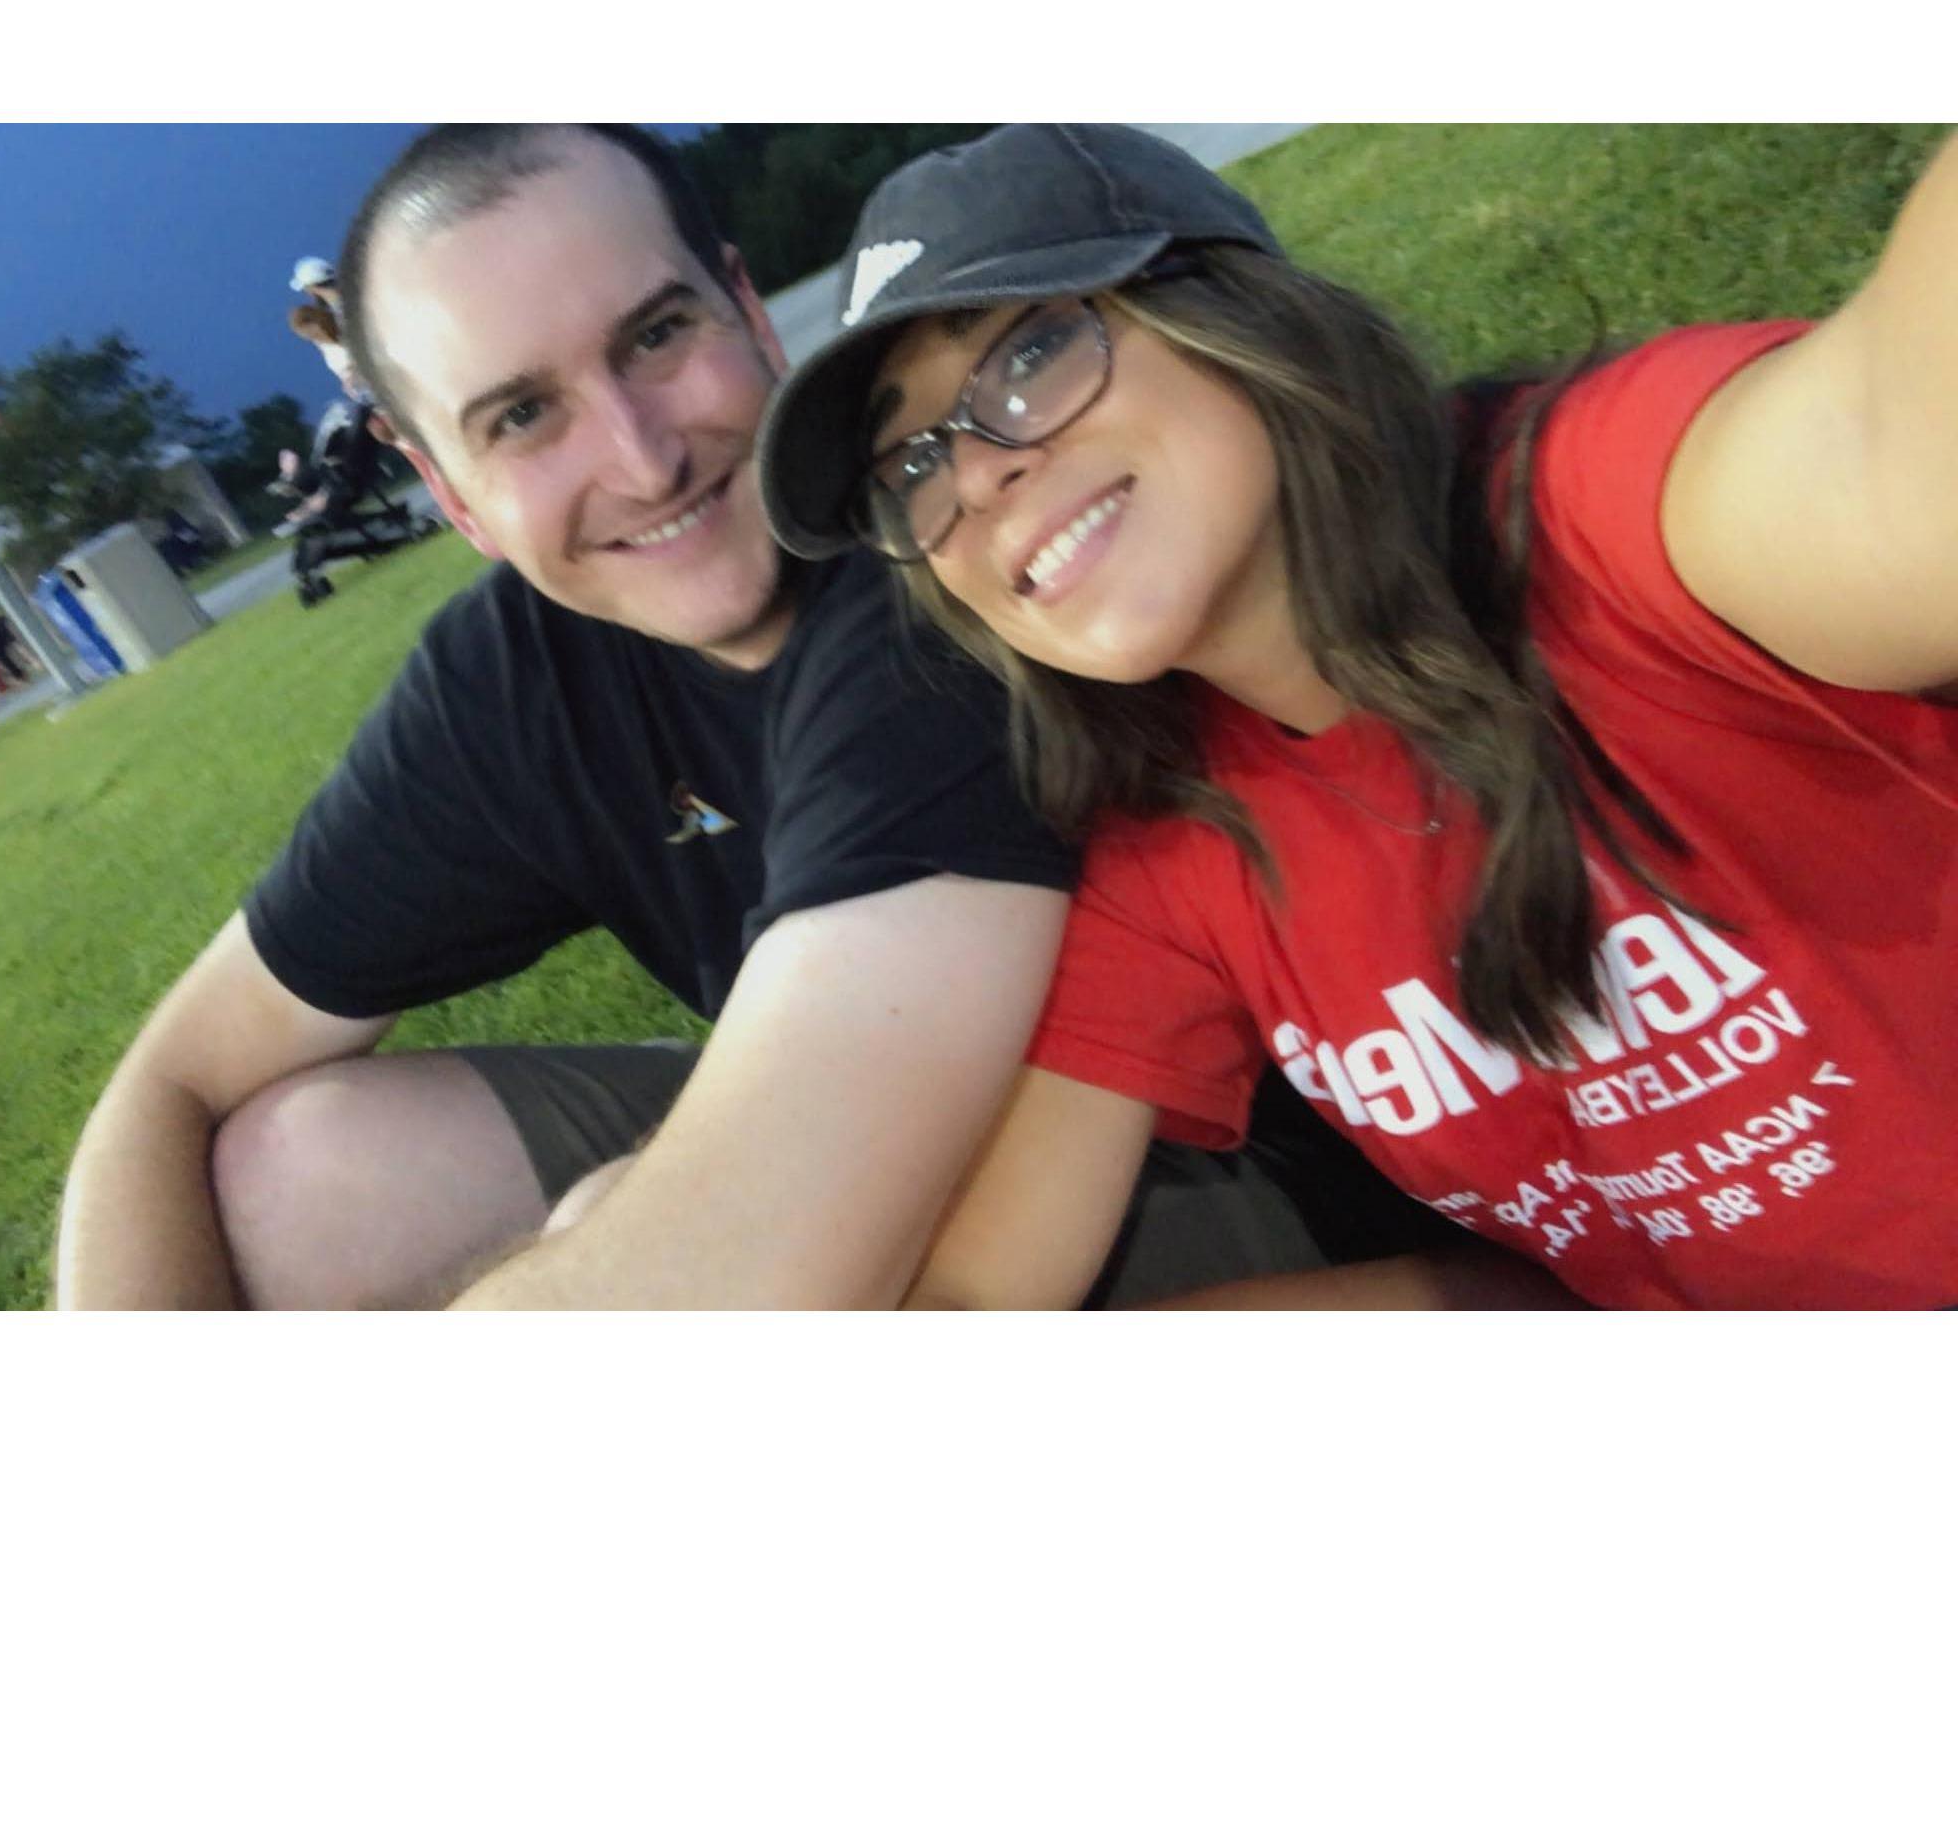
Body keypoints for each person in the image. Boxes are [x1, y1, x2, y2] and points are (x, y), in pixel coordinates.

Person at [57, 122, 1451, 1311]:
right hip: (912, 1152)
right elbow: (172, 1084)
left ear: (745, 308)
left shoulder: (946, 569)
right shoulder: (516, 681)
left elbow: (750, 1280)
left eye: (655, 337)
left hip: (1257, 1190)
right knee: (300, 1169)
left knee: (634, 1236)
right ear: (452, 497)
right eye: (525, 416)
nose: (642, 455)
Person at [758, 122, 1958, 1310]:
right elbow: (972, 1304)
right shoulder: (1181, 839)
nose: (973, 477)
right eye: (909, 465)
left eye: (1027, 356)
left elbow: (1889, 451)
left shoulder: (1604, 520)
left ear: (1227, 309)